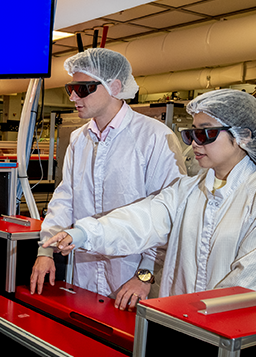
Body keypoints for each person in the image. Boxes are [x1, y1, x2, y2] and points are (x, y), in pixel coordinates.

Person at [43, 89, 256, 303]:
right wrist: (83, 234)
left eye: (206, 133)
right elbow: (141, 219)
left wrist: (190, 317)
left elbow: (253, 289)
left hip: (239, 347)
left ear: (243, 136)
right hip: (184, 331)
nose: (194, 143)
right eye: (192, 133)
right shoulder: (188, 190)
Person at [30, 48, 186, 310]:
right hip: (84, 272)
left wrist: (145, 275)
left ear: (114, 86)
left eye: (83, 89)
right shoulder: (79, 139)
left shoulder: (154, 138)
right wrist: (45, 250)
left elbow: (168, 213)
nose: (72, 96)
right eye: (71, 88)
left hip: (132, 278)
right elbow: (65, 198)